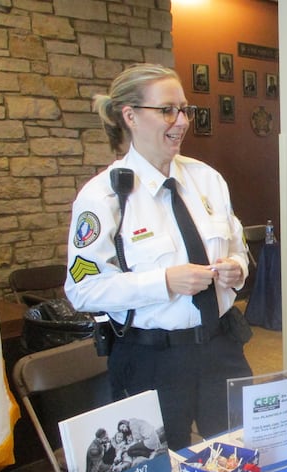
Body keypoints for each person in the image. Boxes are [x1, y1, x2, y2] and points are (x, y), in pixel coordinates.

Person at [65, 63, 253, 451]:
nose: (181, 121)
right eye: (167, 110)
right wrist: (164, 281)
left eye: (185, 109)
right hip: (152, 360)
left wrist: (237, 267)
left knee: (242, 453)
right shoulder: (103, 196)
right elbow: (83, 290)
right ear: (130, 116)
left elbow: (237, 246)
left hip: (220, 347)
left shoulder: (207, 179)